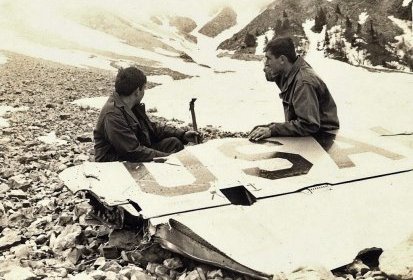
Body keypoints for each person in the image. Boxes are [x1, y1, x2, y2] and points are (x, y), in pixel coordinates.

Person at [94, 66, 199, 162]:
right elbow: (132, 151)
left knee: (174, 142)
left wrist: (182, 134)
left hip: (131, 152)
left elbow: (151, 128)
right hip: (114, 162)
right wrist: (169, 158)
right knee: (172, 159)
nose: (144, 92)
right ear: (137, 91)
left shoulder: (131, 105)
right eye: (144, 88)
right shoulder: (113, 114)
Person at [249, 37, 339, 141]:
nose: (267, 63)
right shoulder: (289, 70)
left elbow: (309, 125)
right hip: (308, 134)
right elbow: (271, 76)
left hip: (322, 137)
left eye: (269, 59)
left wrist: (272, 130)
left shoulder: (303, 82)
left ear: (282, 59)